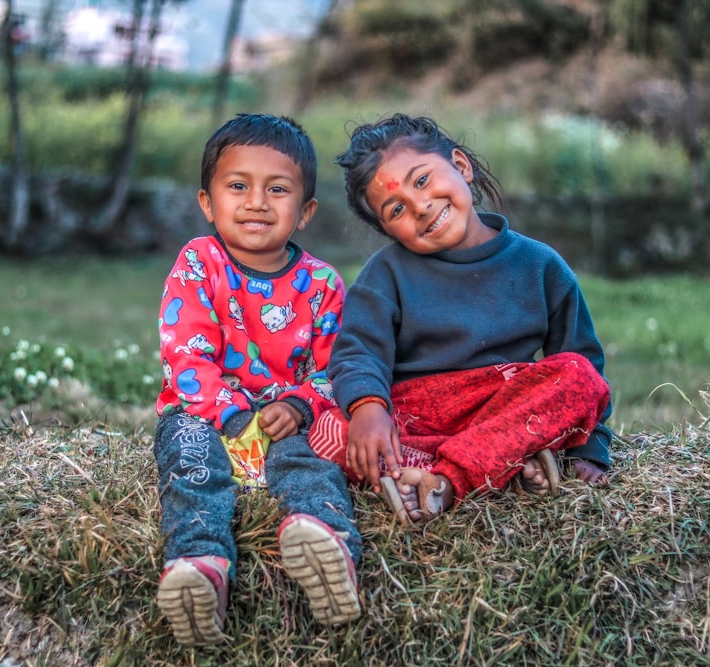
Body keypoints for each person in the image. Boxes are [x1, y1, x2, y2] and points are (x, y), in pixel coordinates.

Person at [309, 113, 613, 525]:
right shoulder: (385, 275)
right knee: (327, 431)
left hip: (503, 408)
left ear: (462, 166)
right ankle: (501, 466)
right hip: (418, 417)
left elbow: (582, 364)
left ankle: (447, 481)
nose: (420, 206)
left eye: (421, 180)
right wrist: (367, 408)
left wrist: (588, 448)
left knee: (577, 375)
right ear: (387, 229)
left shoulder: (540, 265)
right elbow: (358, 351)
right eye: (397, 208)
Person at [152, 113, 361, 646]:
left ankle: (326, 538)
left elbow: (335, 366)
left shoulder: (322, 285)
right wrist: (231, 415)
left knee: (309, 461)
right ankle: (201, 565)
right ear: (207, 202)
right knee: (193, 469)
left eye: (278, 189)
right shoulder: (199, 263)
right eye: (238, 186)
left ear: (306, 210)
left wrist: (299, 405)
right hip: (202, 414)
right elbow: (187, 352)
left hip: (282, 420)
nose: (256, 202)